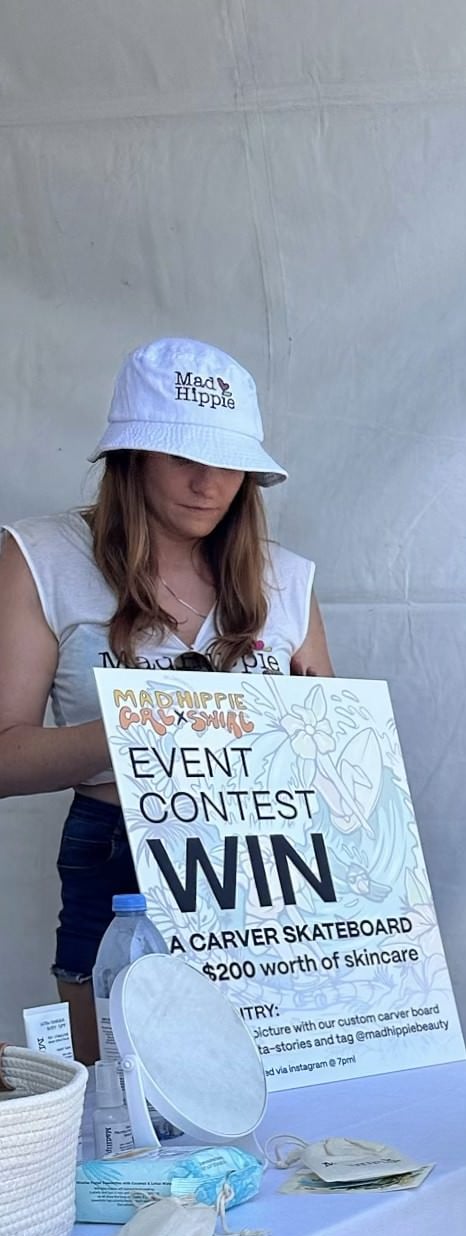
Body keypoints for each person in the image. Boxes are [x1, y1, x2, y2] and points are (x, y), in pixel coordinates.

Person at [0, 338, 330, 1062]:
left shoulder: (288, 582)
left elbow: (332, 776)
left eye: (228, 461)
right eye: (183, 456)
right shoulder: (42, 557)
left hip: (266, 863)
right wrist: (149, 725)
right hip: (117, 856)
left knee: (278, 1085)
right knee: (119, 1102)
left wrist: (306, 737)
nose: (209, 483)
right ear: (132, 457)